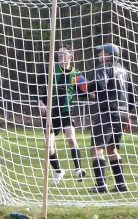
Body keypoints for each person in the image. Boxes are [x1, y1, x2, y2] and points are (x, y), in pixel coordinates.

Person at [38, 44, 93, 184]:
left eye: (63, 53)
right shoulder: (51, 69)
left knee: (71, 138)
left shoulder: (76, 75)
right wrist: (40, 101)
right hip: (50, 112)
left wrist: (92, 93)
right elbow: (37, 86)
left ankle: (79, 170)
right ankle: (59, 171)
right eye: (58, 53)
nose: (60, 55)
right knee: (48, 147)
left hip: (66, 111)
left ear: (70, 56)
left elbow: (86, 90)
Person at [86, 43, 135, 193]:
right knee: (111, 149)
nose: (98, 56)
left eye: (100, 53)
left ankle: (100, 184)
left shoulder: (103, 67)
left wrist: (83, 86)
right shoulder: (125, 70)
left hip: (107, 112)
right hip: (122, 114)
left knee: (96, 149)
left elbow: (99, 85)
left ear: (107, 54)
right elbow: (131, 97)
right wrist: (128, 116)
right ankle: (121, 184)